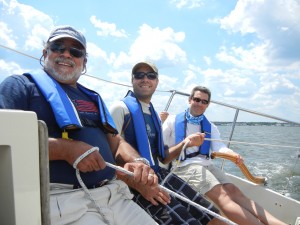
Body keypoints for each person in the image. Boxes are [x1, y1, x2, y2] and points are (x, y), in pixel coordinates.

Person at [0, 26, 159, 225]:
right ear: (45, 52)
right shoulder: (20, 86)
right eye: (58, 47)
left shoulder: (93, 98)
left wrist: (138, 162)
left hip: (114, 195)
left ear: (84, 62)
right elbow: (5, 142)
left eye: (75, 51)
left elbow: (116, 142)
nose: (66, 54)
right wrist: (65, 149)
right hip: (63, 200)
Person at [109, 62, 229, 225]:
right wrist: (138, 184)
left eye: (150, 76)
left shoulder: (152, 114)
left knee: (213, 217)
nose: (145, 79)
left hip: (161, 174)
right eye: (139, 75)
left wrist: (185, 143)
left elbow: (164, 158)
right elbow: (109, 157)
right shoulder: (120, 108)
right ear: (132, 80)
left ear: (157, 82)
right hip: (137, 182)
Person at [162, 85, 287, 225]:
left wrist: (233, 154)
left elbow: (220, 147)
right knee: (223, 195)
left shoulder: (210, 126)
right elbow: (161, 150)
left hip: (206, 165)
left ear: (208, 105)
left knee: (235, 191)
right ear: (190, 100)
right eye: (197, 99)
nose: (200, 104)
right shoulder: (172, 121)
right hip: (184, 166)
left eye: (204, 101)